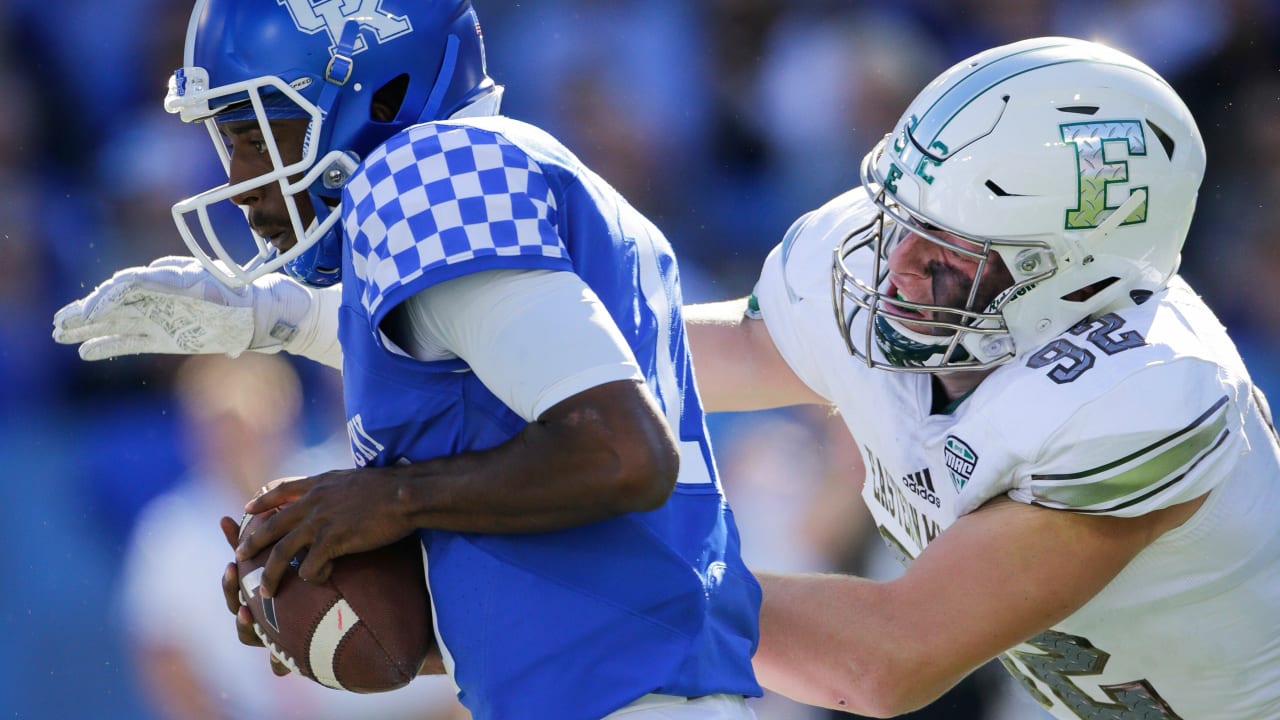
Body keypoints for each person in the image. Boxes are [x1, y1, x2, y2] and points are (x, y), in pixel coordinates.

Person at [54, 2, 761, 719]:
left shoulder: (426, 172)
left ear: (378, 93)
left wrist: (390, 498)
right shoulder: (490, 190)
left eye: (255, 133)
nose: (239, 179)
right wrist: (338, 602)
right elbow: (466, 357)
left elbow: (622, 453)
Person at [682, 37, 1280, 718]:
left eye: (953, 250)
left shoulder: (1144, 394)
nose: (899, 264)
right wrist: (551, 368)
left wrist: (628, 584)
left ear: (1080, 278)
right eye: (899, 220)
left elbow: (882, 660)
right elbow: (750, 351)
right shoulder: (894, 272)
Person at [118, 352, 468, 720]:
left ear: (285, 414)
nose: (236, 440)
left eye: (246, 419)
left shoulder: (344, 486)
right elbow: (162, 655)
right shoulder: (172, 533)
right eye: (218, 423)